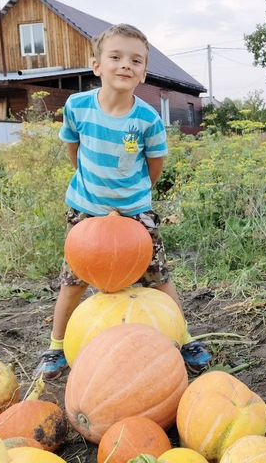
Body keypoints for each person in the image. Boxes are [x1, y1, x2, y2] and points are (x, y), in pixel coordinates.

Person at [35, 23, 211, 380]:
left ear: (144, 72)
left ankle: (186, 338)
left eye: (135, 60)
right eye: (115, 57)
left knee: (157, 275)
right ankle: (56, 347)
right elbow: (74, 149)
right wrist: (93, 189)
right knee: (74, 280)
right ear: (97, 65)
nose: (125, 65)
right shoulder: (78, 106)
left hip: (134, 213)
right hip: (86, 212)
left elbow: (155, 166)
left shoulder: (147, 119)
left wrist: (134, 198)